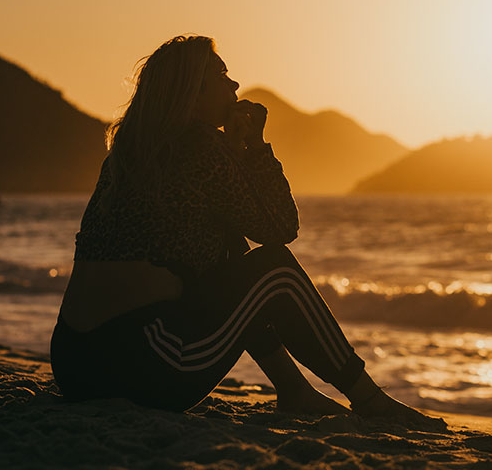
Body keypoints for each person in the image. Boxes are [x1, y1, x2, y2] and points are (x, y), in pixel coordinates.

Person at [50, 35, 438, 424]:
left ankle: (294, 389)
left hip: (73, 363)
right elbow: (281, 228)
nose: (235, 86)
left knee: (232, 252)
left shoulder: (127, 154)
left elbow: (209, 250)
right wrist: (257, 146)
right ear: (193, 93)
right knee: (277, 272)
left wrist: (234, 155)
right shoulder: (201, 147)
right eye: (222, 76)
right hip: (144, 365)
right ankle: (369, 399)